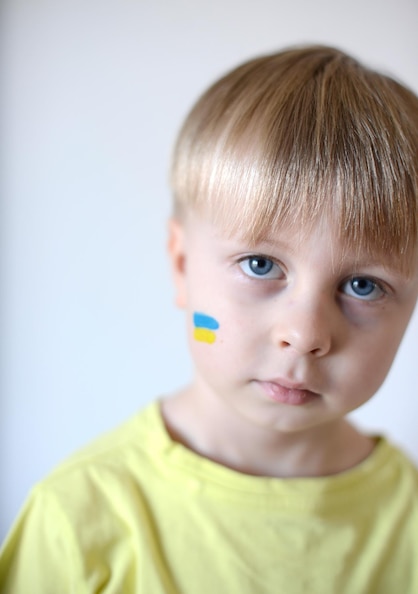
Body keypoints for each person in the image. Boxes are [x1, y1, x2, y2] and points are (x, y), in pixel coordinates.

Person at [1, 45, 418, 594]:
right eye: (261, 264)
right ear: (181, 266)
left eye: (362, 286)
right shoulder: (80, 520)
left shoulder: (408, 519)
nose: (306, 335)